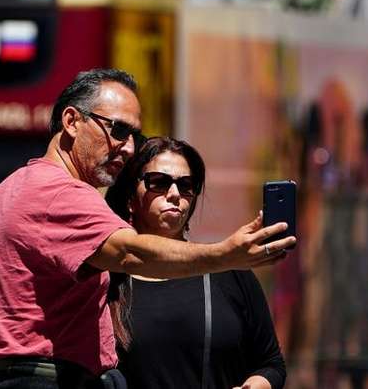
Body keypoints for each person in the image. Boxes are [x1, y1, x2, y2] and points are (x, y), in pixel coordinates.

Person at [0, 68, 295, 389]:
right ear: (72, 121)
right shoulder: (64, 195)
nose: (130, 147)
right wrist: (225, 254)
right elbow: (132, 252)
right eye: (118, 130)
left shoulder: (1, 195)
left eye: (134, 135)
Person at [105, 137, 286, 389]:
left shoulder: (227, 268)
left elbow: (271, 363)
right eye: (158, 182)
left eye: (186, 185)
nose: (175, 194)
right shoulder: (108, 277)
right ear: (129, 198)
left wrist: (256, 385)